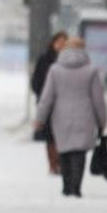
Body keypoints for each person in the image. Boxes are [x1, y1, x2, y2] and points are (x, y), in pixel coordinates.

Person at [34, 37, 107, 197]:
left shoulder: (55, 70)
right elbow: (98, 99)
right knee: (79, 152)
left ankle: (66, 185)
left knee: (64, 150)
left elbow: (46, 98)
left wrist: (40, 119)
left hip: (61, 116)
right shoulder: (91, 70)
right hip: (85, 116)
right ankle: (76, 186)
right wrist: (102, 120)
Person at [31, 31, 68, 175]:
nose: (61, 45)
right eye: (59, 42)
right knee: (50, 136)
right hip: (47, 103)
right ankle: (53, 164)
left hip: (64, 104)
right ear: (53, 43)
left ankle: (61, 162)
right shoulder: (44, 59)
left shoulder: (70, 61)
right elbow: (36, 81)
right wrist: (42, 95)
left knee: (62, 135)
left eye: (64, 42)